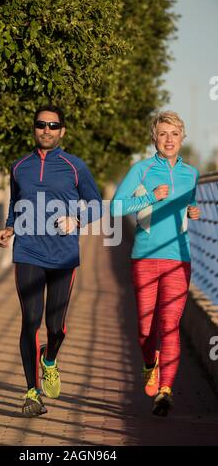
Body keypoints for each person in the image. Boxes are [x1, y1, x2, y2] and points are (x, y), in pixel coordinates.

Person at [0, 105, 102, 417]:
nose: (47, 130)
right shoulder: (19, 166)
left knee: (56, 327)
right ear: (34, 128)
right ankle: (32, 392)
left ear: (62, 131)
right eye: (41, 124)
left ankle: (50, 359)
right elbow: (17, 202)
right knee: (30, 321)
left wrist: (77, 220)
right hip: (27, 251)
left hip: (63, 255)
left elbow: (97, 205)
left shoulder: (75, 167)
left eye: (53, 125)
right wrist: (9, 227)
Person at [110, 111, 200, 417]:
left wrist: (193, 211)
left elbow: (188, 205)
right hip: (145, 258)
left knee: (169, 325)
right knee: (146, 328)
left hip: (179, 258)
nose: (169, 140)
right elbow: (117, 205)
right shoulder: (142, 169)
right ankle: (151, 364)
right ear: (154, 138)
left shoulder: (192, 173)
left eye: (174, 134)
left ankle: (165, 391)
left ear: (182, 138)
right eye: (163, 134)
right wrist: (150, 196)